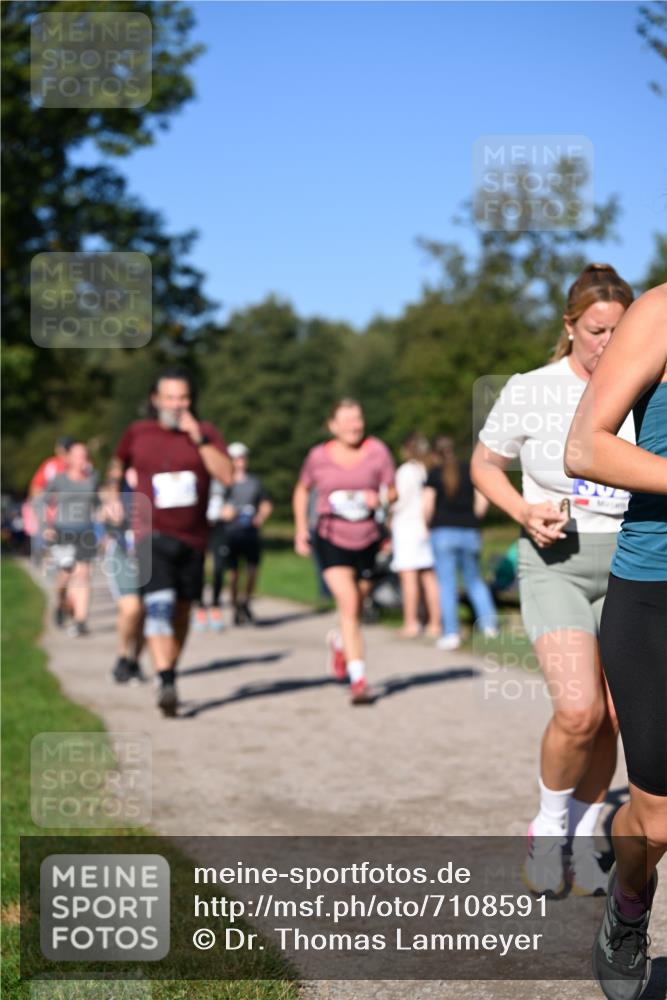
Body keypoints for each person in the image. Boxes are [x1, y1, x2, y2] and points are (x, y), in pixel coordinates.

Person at [471, 263, 635, 898]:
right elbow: (485, 464)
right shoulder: (531, 388)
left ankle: (592, 825)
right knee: (578, 711)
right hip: (555, 559)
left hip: (629, 561)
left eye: (619, 334)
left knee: (616, 718)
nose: (606, 345)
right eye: (596, 331)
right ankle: (547, 824)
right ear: (570, 328)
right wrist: (521, 510)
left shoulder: (646, 387)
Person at [564, 283, 666, 1000]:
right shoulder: (658, 312)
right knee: (658, 820)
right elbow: (584, 446)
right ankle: (627, 903)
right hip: (655, 590)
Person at [108, 368, 231, 716]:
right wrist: (112, 494)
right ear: (155, 400)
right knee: (158, 604)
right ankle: (165, 678)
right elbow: (118, 463)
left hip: (193, 537)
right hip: (151, 533)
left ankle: (170, 670)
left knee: (182, 611)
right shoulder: (138, 433)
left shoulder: (206, 433)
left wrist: (199, 439)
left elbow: (226, 475)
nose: (177, 405)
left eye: (183, 398)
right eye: (170, 398)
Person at [293, 398, 397, 704]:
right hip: (330, 536)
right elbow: (302, 489)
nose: (354, 425)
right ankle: (359, 680)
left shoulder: (378, 451)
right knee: (350, 604)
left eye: (358, 418)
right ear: (333, 425)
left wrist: (379, 498)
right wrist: (301, 528)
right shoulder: (318, 456)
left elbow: (392, 491)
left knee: (356, 605)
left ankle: (340, 642)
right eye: (347, 420)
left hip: (367, 537)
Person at [424, 436, 497, 650]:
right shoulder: (469, 470)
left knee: (446, 584)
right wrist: (473, 519)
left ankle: (451, 633)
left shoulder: (433, 474)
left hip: (443, 532)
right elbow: (482, 501)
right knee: (474, 581)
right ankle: (489, 626)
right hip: (469, 531)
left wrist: (427, 526)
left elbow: (427, 505)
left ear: (435, 454)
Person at [42, 441, 99, 637]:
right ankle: (60, 603)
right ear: (69, 459)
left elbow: (97, 504)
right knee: (66, 574)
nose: (82, 459)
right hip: (63, 531)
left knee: (83, 574)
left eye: (84, 455)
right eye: (78, 456)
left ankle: (80, 620)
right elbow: (41, 502)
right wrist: (45, 527)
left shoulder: (93, 479)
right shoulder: (59, 480)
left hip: (85, 531)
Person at [390, 432, 441, 638]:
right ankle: (434, 623)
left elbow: (400, 499)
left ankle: (411, 622)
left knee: (408, 576)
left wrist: (389, 510)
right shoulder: (427, 470)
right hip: (426, 527)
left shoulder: (406, 471)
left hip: (406, 527)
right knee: (429, 576)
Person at [99, 470, 146, 683]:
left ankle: (135, 661)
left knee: (145, 612)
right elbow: (108, 491)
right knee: (131, 608)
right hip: (123, 553)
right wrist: (110, 502)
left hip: (151, 554)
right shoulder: (124, 472)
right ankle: (122, 656)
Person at [219, 442, 273, 625]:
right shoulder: (225, 483)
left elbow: (266, 503)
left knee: (252, 571)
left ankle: (246, 602)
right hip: (232, 533)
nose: (239, 462)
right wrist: (224, 512)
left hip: (250, 532)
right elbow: (214, 506)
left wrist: (261, 517)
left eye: (242, 458)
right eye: (236, 458)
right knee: (233, 574)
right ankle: (235, 606)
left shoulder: (254, 482)